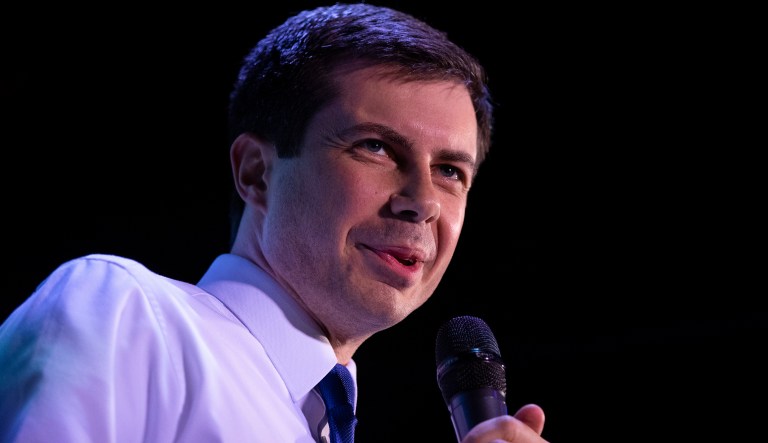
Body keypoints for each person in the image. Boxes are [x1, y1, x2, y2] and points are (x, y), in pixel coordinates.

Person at [0, 3, 547, 442]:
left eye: (450, 170)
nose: (422, 201)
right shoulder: (128, 316)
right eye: (376, 147)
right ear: (257, 173)